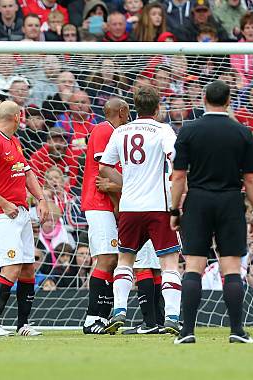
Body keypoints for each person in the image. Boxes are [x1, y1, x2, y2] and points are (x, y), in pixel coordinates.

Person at [170, 80, 253, 344]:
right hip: (230, 201)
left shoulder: (189, 131)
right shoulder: (242, 132)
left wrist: (175, 209)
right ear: (229, 100)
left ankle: (186, 332)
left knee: (193, 266)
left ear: (203, 98)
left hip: (197, 201)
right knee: (231, 268)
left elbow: (178, 176)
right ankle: (237, 331)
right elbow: (251, 179)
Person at [99, 86, 182, 336]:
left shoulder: (121, 131)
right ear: (157, 108)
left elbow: (104, 167)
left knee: (125, 260)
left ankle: (120, 311)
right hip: (158, 206)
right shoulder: (163, 130)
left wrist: (128, 183)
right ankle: (172, 317)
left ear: (135, 108)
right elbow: (175, 160)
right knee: (169, 264)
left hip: (130, 207)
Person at [0, 100, 49, 337]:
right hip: (1, 214)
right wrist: (3, 203)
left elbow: (26, 171)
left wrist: (41, 198)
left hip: (21, 213)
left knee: (27, 268)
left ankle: (23, 325)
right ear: (18, 116)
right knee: (12, 266)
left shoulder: (13, 141)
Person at [80, 98, 129, 334]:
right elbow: (103, 172)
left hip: (107, 204)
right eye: (127, 111)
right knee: (107, 259)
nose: (129, 116)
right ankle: (92, 319)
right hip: (99, 203)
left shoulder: (113, 133)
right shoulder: (103, 130)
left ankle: (102, 316)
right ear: (121, 111)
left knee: (113, 260)